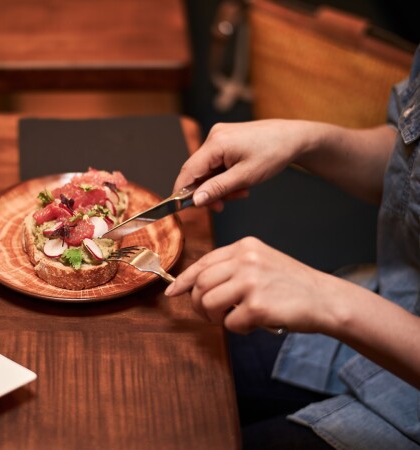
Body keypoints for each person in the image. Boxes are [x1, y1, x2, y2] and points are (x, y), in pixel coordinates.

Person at [165, 44, 420, 449]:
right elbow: (405, 165)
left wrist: (328, 301)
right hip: (391, 301)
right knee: (173, 364)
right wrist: (305, 139)